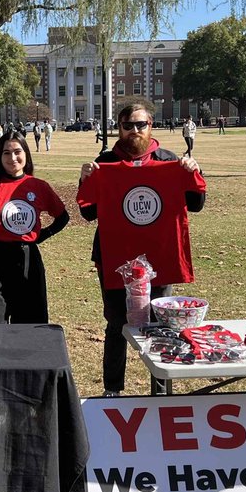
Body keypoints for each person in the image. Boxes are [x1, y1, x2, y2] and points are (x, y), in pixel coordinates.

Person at [76, 100, 207, 395]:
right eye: (128, 125)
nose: (134, 130)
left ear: (151, 126)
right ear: (119, 128)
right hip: (115, 257)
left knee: (161, 324)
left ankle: (160, 391)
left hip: (159, 257)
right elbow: (88, 213)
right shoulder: (105, 163)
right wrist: (85, 179)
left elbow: (196, 205)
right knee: (116, 324)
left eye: (140, 124)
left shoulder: (168, 160)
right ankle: (112, 390)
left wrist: (194, 170)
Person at [0, 133, 69, 323]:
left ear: (26, 154)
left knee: (30, 324)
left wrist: (43, 235)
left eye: (17, 152)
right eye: (6, 153)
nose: (12, 158)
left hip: (27, 260)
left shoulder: (38, 186)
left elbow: (62, 217)